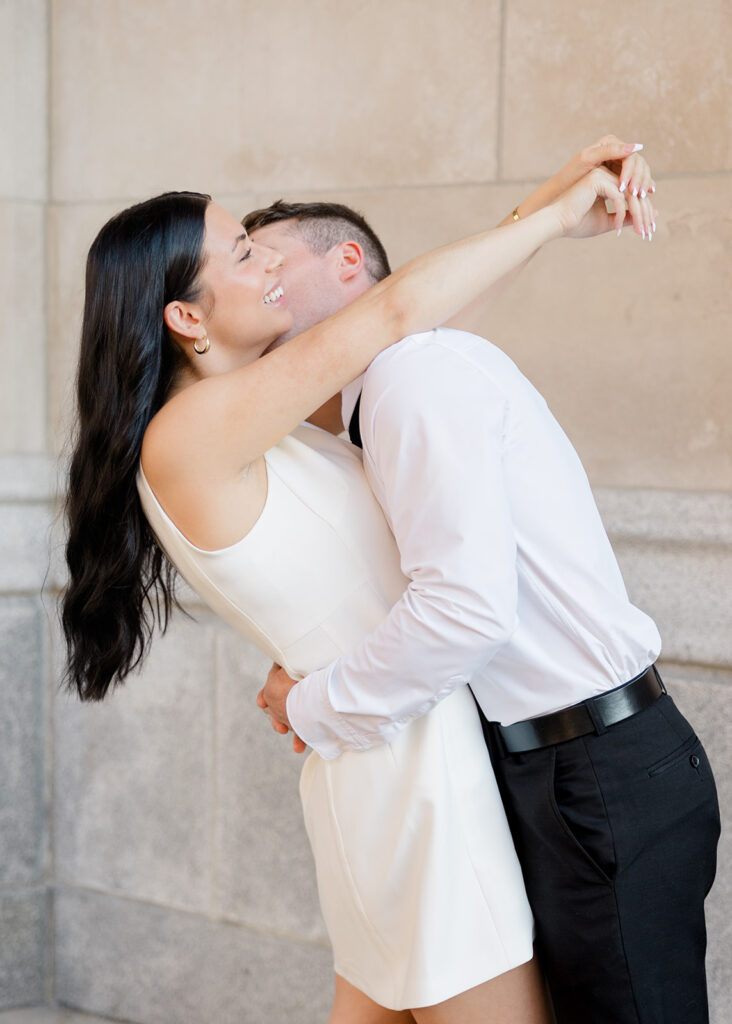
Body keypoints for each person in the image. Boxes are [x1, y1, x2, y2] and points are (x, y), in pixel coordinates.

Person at [250, 151, 721, 1023]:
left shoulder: (409, 378)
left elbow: (464, 609)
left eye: (270, 262)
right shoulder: (388, 388)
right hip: (563, 767)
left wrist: (313, 708)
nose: (258, 284)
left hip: (598, 769)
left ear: (349, 263)